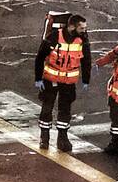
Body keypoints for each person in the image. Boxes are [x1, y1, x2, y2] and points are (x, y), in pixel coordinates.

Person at [33, 14, 91, 152]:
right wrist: (38, 78)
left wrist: (86, 79)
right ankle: (44, 138)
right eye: (81, 28)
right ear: (72, 26)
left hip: (68, 82)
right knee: (47, 108)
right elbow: (40, 57)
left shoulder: (82, 39)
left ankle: (62, 138)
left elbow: (86, 59)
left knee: (65, 110)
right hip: (51, 79)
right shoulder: (53, 37)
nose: (84, 31)